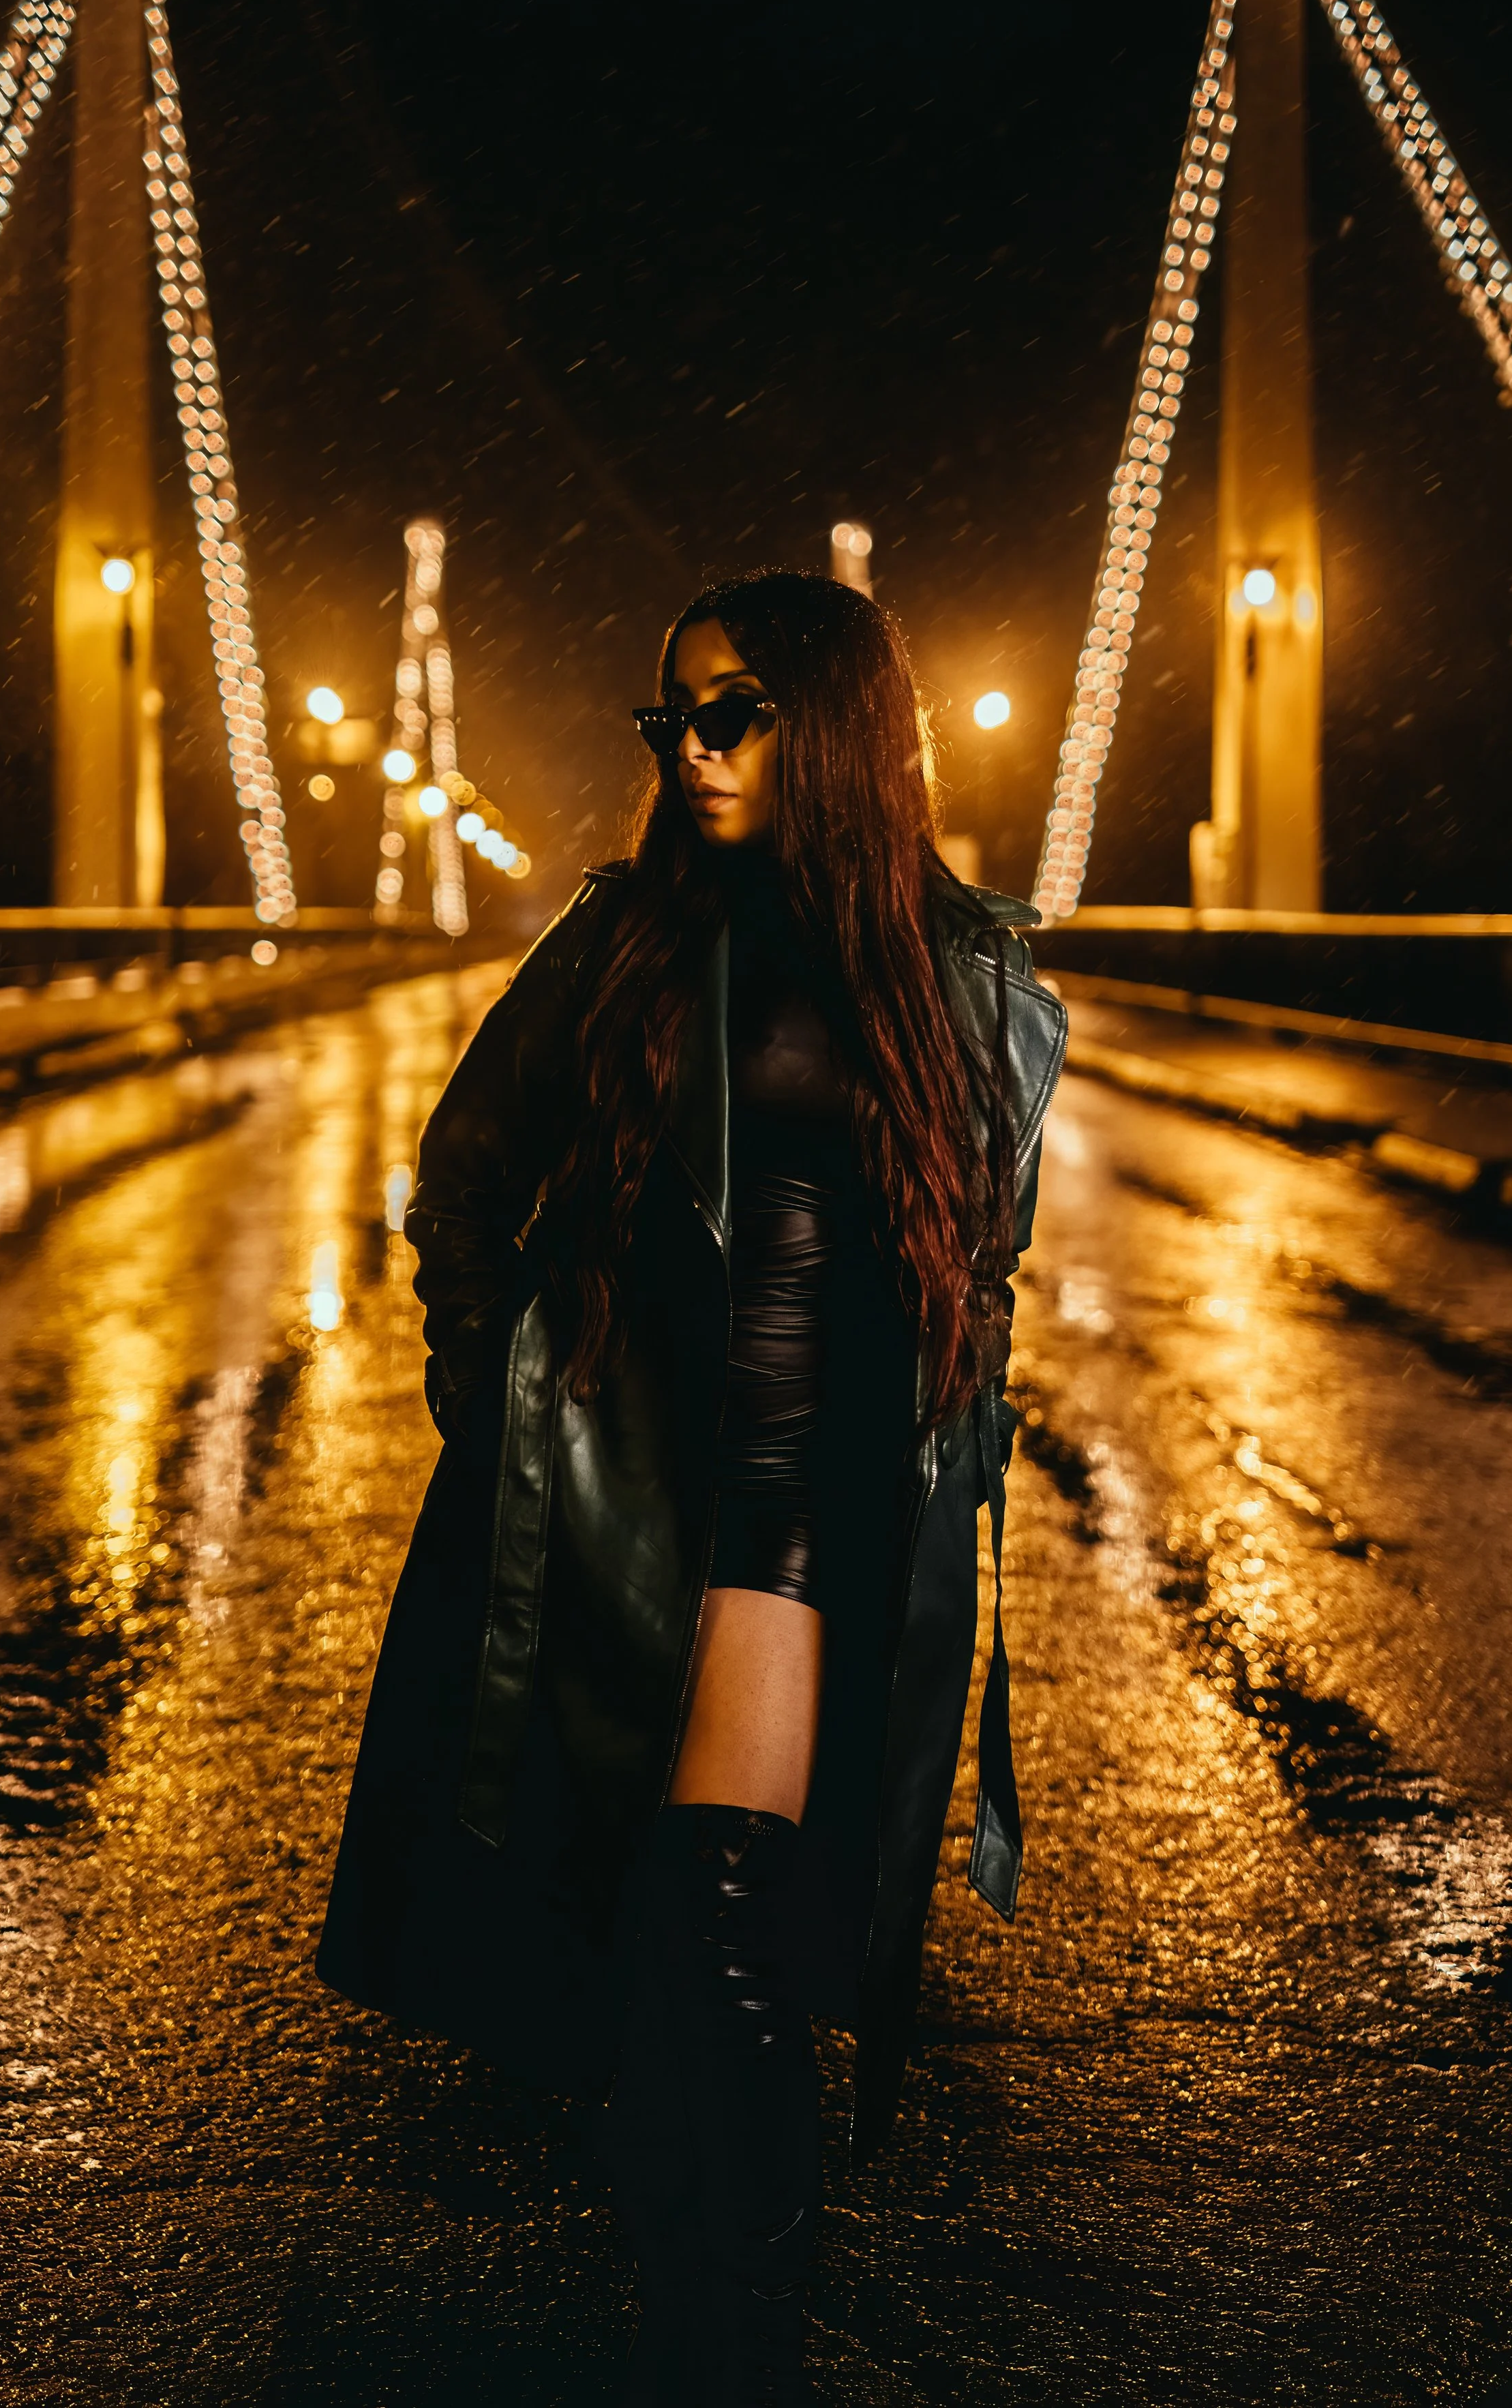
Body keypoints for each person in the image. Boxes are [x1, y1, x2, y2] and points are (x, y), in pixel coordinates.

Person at [316, 569, 1067, 2404]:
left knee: (723, 1913)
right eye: (672, 717)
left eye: (731, 711)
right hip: (620, 1499)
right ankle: (727, 2318)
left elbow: (980, 1269)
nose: (692, 748)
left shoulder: (957, 971)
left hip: (817, 1522)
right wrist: (495, 1402)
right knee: (673, 1914)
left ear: (836, 732)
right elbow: (464, 1176)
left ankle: (724, 2307)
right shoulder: (627, 940)